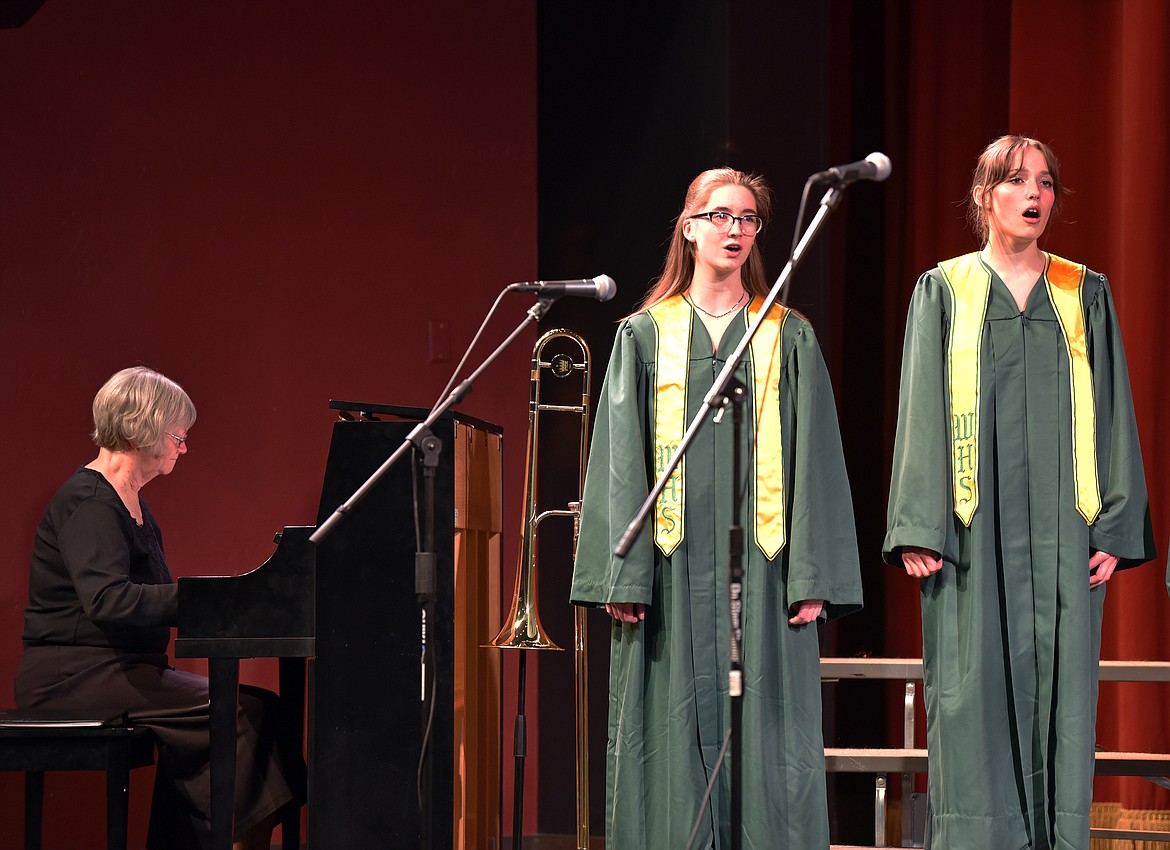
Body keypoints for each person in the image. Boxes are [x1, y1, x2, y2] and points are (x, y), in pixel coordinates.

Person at [570, 167, 863, 849]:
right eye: (721, 216)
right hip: (670, 573)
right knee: (668, 738)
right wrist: (624, 576)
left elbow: (817, 458)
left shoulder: (786, 335)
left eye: (748, 219)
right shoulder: (644, 336)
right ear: (689, 227)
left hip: (764, 569)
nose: (735, 230)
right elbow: (620, 460)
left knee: (768, 745)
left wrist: (813, 574)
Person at [883, 135, 1156, 849]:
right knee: (974, 705)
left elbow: (1114, 411)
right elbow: (921, 413)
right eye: (1016, 181)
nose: (1034, 195)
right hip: (970, 537)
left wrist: (1115, 530)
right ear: (984, 197)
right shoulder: (944, 290)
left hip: (1066, 536)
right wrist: (920, 522)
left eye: (1045, 183)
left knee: (1063, 707)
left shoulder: (1082, 293)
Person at [14, 366, 304, 850]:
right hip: (73, 677)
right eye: (178, 436)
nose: (183, 448)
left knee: (262, 708)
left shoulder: (133, 503)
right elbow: (107, 601)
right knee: (238, 715)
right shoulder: (89, 502)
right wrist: (203, 598)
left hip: (122, 669)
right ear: (142, 429)